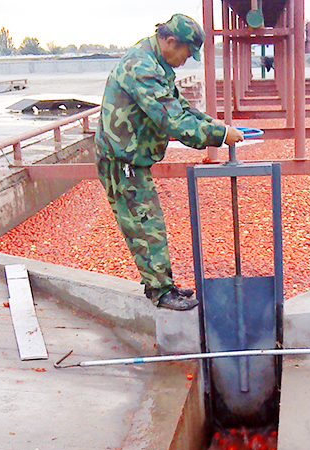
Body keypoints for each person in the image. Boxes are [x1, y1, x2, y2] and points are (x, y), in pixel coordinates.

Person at [95, 14, 244, 311]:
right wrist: (219, 134)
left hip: (130, 157)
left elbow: (178, 105)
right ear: (171, 41)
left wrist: (211, 123)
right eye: (186, 53)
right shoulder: (143, 68)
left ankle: (161, 285)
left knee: (147, 224)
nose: (186, 60)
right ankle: (162, 292)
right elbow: (173, 122)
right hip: (121, 160)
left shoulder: (154, 60)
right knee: (146, 226)